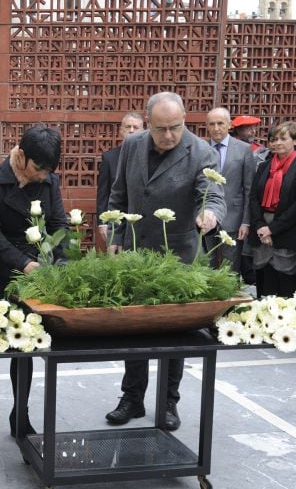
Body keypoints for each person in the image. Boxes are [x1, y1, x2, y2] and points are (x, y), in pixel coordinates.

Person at [105, 92, 225, 431]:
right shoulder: (132, 145)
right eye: (161, 129)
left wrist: (210, 214)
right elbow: (119, 194)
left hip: (177, 258)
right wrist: (114, 236)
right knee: (135, 330)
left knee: (175, 334)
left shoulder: (201, 151)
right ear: (148, 124)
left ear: (185, 119)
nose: (169, 135)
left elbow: (213, 193)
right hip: (135, 253)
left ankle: (169, 402)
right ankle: (132, 398)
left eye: (176, 127)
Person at [0, 124, 67, 455]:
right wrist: (24, 263)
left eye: (48, 171)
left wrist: (56, 260)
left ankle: (20, 415)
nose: (43, 177)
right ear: (21, 156)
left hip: (33, 281)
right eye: (38, 169)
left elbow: (59, 225)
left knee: (24, 349)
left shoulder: (48, 181)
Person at [248, 121, 296, 298]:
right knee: (264, 285)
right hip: (261, 230)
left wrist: (272, 229)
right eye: (273, 139)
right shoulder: (263, 166)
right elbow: (254, 198)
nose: (277, 143)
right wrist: (261, 225)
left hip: (287, 231)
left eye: (283, 138)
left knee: (286, 288)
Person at [204, 107, 256, 272]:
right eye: (212, 124)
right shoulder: (201, 148)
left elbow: (249, 188)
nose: (216, 128)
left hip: (233, 216)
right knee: (205, 265)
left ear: (229, 125)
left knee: (231, 268)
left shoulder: (243, 149)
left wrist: (246, 221)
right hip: (205, 216)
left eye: (220, 123)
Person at [96, 113, 145, 245]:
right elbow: (103, 193)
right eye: (128, 127)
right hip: (116, 221)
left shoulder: (149, 158)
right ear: (121, 131)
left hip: (141, 220)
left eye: (136, 127)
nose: (131, 130)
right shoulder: (109, 158)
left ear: (144, 131)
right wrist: (102, 223)